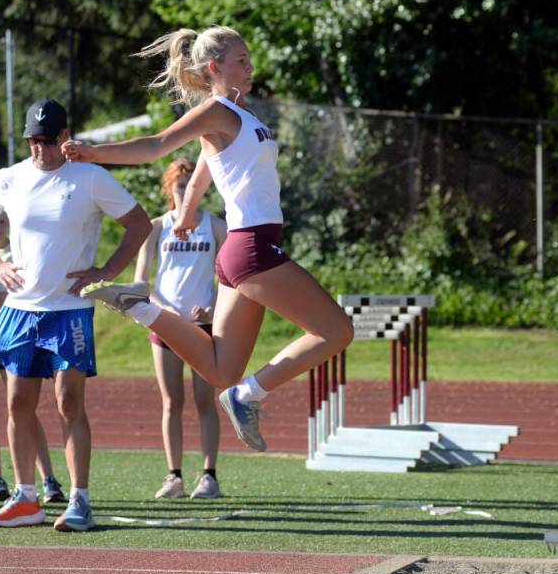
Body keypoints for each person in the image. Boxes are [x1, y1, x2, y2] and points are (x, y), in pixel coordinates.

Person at [62, 26, 353, 452]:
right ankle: (249, 395)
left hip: (243, 248)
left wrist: (184, 213)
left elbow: (204, 170)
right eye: (241, 61)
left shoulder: (238, 114)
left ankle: (141, 308)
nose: (250, 67)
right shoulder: (214, 111)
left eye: (250, 59)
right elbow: (157, 145)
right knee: (337, 331)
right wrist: (94, 153)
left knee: (221, 370)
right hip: (253, 248)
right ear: (215, 68)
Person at [0, 98, 150, 531]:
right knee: (17, 404)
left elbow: (140, 224)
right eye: (33, 141)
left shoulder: (90, 177)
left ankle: (80, 500)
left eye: (48, 140)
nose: (40, 149)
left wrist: (106, 272)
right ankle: (26, 498)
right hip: (20, 309)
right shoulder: (9, 178)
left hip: (69, 309)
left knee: (68, 403)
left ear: (66, 136)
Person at [0, 212, 66, 505]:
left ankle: (48, 479)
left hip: (14, 325)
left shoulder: (20, 250)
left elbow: (17, 294)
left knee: (22, 406)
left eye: (1, 222)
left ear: (11, 224)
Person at [136, 158, 227, 499]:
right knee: (171, 401)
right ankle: (173, 476)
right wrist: (162, 310)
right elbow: (141, 281)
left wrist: (214, 307)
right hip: (166, 326)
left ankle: (209, 476)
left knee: (206, 400)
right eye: (179, 186)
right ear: (169, 189)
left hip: (203, 325)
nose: (186, 193)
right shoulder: (157, 227)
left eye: (193, 187)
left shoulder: (215, 227)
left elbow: (233, 277)